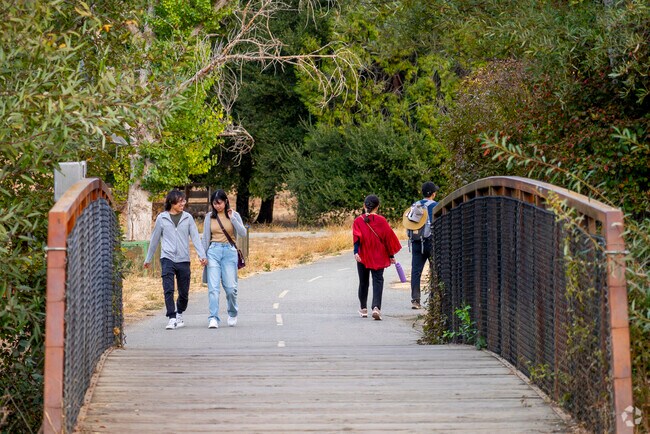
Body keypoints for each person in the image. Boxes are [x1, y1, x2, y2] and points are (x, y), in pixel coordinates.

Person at [144, 189, 207, 330]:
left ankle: (179, 312)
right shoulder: (162, 218)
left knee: (184, 293)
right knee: (168, 289)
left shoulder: (188, 218)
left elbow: (195, 238)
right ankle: (172, 317)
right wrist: (148, 258)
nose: (182, 203)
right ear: (171, 203)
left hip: (183, 259)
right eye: (180, 201)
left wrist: (202, 255)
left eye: (183, 201)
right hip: (167, 258)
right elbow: (154, 240)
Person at [352, 195, 402, 320]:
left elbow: (356, 238)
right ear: (377, 207)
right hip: (379, 255)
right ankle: (376, 308)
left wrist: (356, 252)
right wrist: (391, 255)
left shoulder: (358, 221)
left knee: (363, 282)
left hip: (363, 254)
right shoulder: (382, 221)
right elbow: (388, 240)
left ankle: (363, 309)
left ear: (364, 205)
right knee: (378, 280)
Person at [202, 189, 247, 329]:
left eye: (220, 203)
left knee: (230, 288)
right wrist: (203, 255)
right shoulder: (209, 217)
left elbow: (243, 233)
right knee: (213, 288)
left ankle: (232, 312)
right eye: (215, 204)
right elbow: (205, 237)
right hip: (213, 251)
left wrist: (232, 218)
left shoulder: (234, 215)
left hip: (229, 251)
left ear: (226, 201)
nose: (217, 206)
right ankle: (213, 317)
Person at [406, 181, 439, 309]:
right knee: (434, 270)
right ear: (433, 194)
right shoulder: (436, 206)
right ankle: (433, 299)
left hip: (416, 242)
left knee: (416, 271)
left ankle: (415, 300)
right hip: (431, 242)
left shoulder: (415, 205)